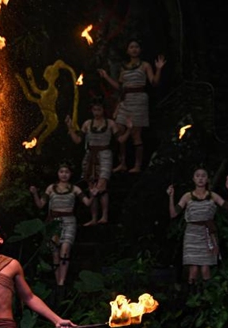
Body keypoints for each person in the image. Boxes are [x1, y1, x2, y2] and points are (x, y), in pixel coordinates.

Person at [98, 39, 166, 173]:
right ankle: (122, 163)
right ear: (127, 50)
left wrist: (158, 69)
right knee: (120, 129)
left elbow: (154, 82)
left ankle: (137, 165)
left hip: (139, 99)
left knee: (136, 133)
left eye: (136, 47)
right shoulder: (124, 68)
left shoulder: (145, 65)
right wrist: (106, 77)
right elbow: (119, 87)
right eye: (131, 47)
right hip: (126, 100)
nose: (134, 49)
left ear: (140, 50)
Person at [65, 98, 131, 226]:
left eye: (99, 109)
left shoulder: (110, 123)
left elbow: (121, 140)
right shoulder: (87, 124)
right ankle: (94, 218)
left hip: (105, 154)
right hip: (90, 155)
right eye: (94, 109)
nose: (96, 112)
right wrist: (70, 128)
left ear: (103, 110)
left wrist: (129, 129)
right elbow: (78, 141)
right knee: (92, 187)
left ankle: (104, 216)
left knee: (102, 186)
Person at [29, 163, 94, 287]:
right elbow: (41, 205)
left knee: (65, 249)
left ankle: (62, 281)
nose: (64, 174)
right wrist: (35, 194)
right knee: (55, 251)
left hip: (69, 221)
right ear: (58, 173)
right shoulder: (51, 188)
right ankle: (58, 280)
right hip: (54, 222)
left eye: (67, 172)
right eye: (61, 172)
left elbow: (87, 203)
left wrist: (92, 194)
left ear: (70, 174)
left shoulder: (75, 189)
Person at [167, 169, 228, 285]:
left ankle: (207, 297)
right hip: (191, 234)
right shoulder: (187, 196)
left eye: (203, 176)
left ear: (207, 179)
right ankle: (192, 297)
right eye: (197, 176)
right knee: (193, 269)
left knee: (205, 269)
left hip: (207, 233)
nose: (200, 178)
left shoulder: (212, 196)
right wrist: (171, 196)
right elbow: (173, 213)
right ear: (194, 179)